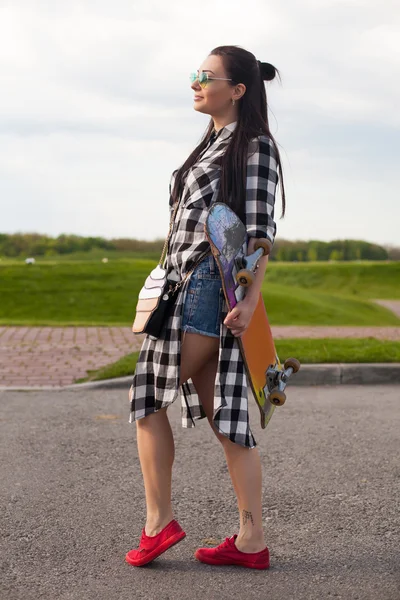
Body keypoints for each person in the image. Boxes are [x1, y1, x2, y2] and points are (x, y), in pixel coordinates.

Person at [126, 45, 286, 569]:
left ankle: (158, 523)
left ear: (237, 89)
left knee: (148, 401)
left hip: (203, 290)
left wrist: (251, 298)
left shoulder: (253, 146)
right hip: (182, 286)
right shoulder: (212, 142)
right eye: (194, 75)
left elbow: (259, 234)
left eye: (206, 76)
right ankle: (251, 542)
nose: (195, 83)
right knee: (225, 417)